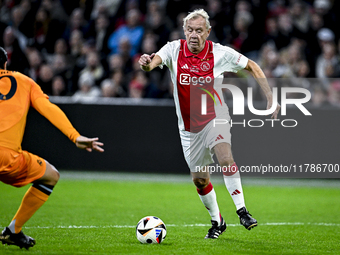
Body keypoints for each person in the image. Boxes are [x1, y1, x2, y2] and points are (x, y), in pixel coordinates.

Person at [139, 9, 280, 239]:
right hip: (188, 129)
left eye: (199, 30)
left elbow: (253, 66)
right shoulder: (173, 49)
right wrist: (146, 63)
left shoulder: (219, 53)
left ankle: (242, 210)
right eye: (190, 30)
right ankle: (217, 221)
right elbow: (152, 63)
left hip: (215, 117)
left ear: (208, 32)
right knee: (200, 179)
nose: (194, 35)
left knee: (225, 157)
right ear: (184, 31)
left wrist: (271, 99)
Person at [0, 47, 104, 249]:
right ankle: (14, 230)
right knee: (50, 175)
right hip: (7, 157)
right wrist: (75, 136)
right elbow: (49, 109)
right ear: (5, 64)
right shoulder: (24, 81)